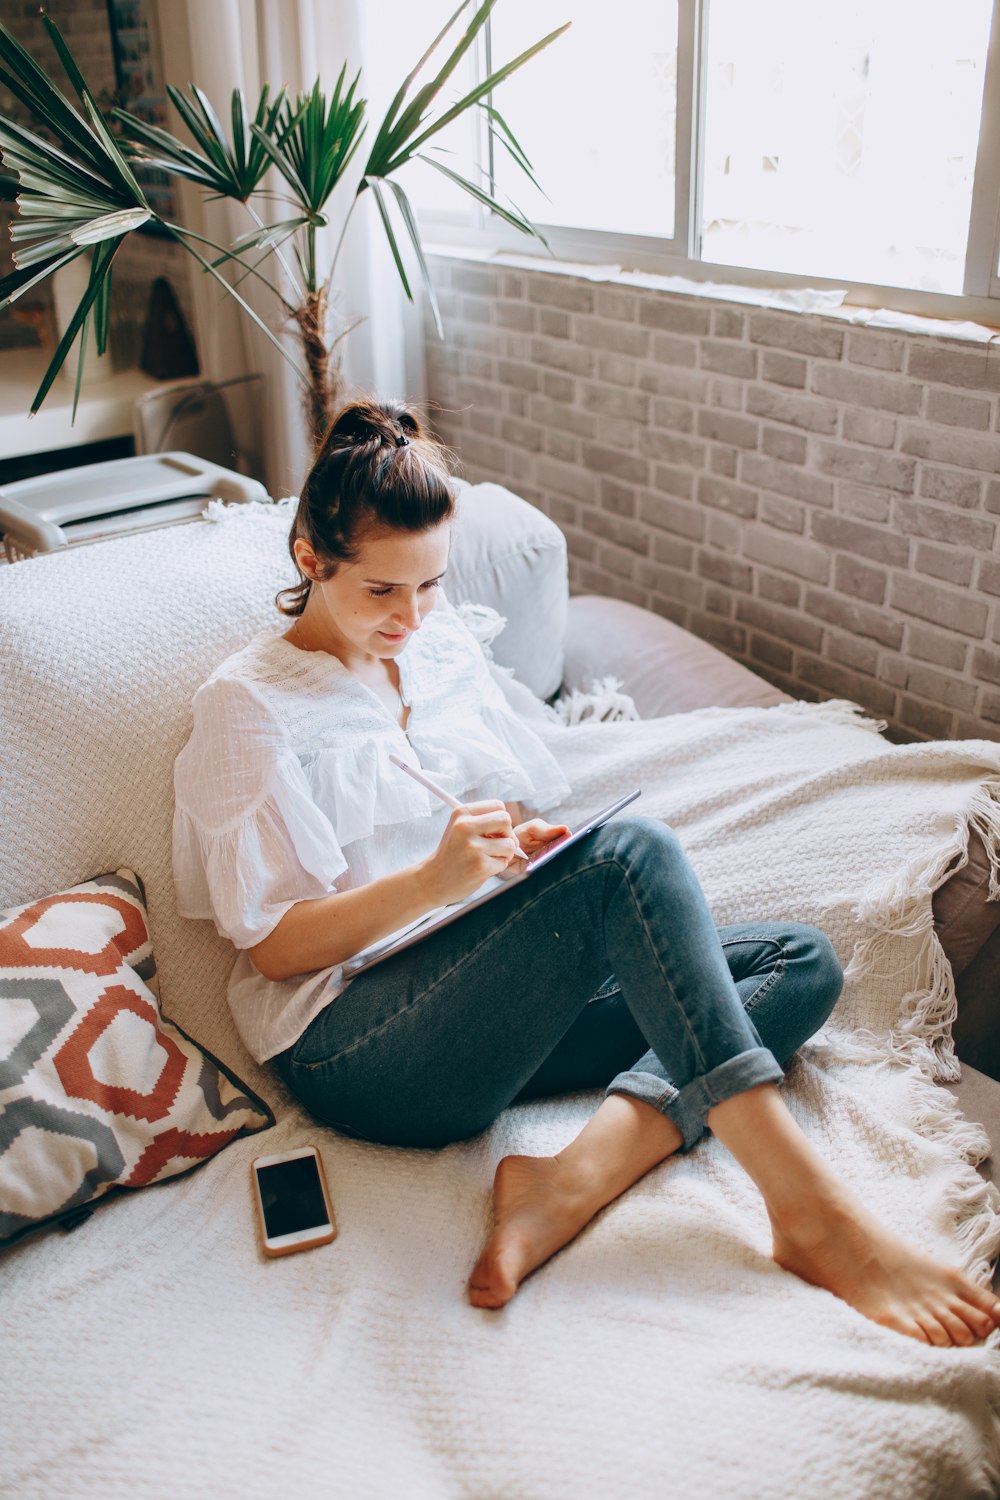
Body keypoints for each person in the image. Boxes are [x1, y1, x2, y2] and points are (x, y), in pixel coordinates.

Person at [173, 397, 1000, 1347]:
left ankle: (569, 1178)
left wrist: (517, 854)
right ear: (311, 561)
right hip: (358, 1049)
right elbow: (275, 950)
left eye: (430, 585)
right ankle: (811, 1214)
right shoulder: (251, 709)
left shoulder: (438, 651)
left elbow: (506, 814)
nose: (411, 617)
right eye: (382, 592)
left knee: (799, 962)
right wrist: (431, 884)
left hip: (482, 1000)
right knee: (634, 860)